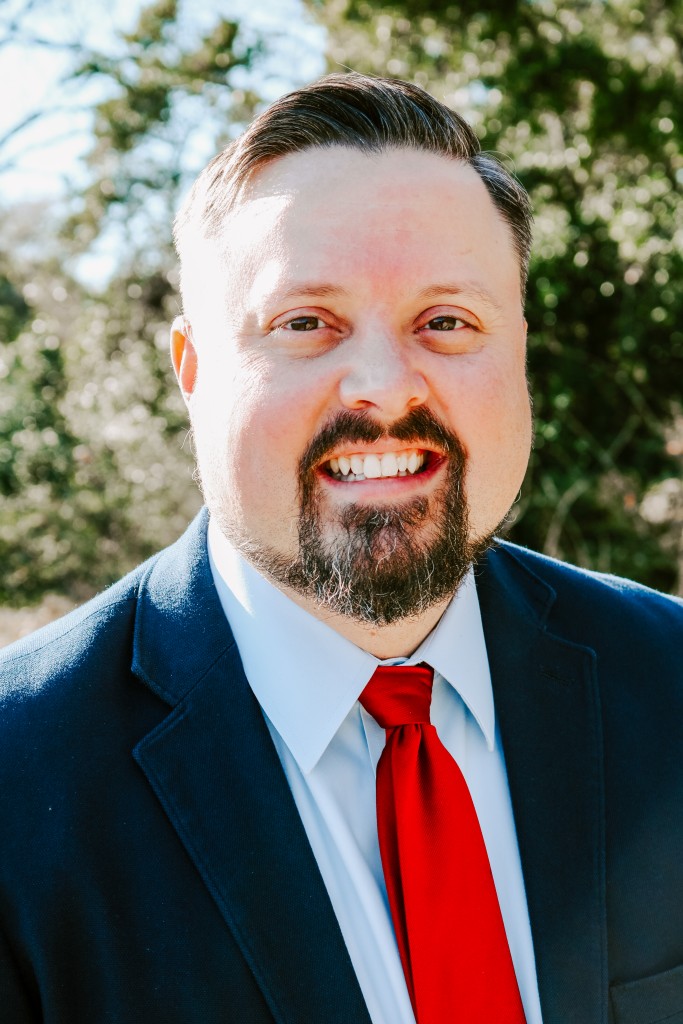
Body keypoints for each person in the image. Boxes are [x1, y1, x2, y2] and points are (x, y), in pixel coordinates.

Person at [0, 73, 681, 1024]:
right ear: (191, 372)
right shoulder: (18, 779)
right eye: (305, 324)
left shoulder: (669, 681)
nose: (384, 387)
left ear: (518, 351)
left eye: (446, 322)